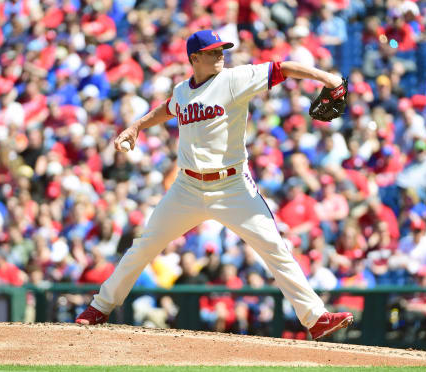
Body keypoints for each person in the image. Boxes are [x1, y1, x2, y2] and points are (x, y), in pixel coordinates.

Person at [75, 29, 353, 340]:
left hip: (232, 186)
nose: (220, 54)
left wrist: (328, 78)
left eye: (222, 49)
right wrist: (137, 126)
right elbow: (168, 108)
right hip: (187, 187)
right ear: (194, 58)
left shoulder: (234, 79)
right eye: (212, 51)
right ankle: (99, 307)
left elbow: (282, 68)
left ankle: (316, 319)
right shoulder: (183, 91)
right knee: (144, 246)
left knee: (275, 248)